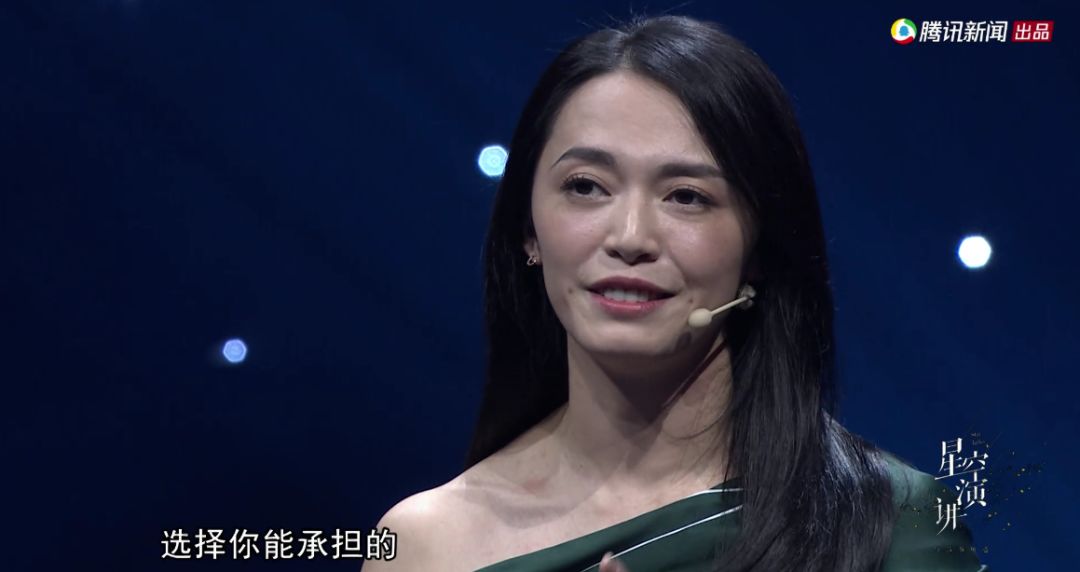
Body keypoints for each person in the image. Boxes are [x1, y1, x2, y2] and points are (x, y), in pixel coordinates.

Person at [363, 14, 988, 572]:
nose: (630, 237)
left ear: (760, 247)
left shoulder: (887, 520)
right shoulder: (425, 545)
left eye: (686, 196)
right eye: (586, 186)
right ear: (529, 229)